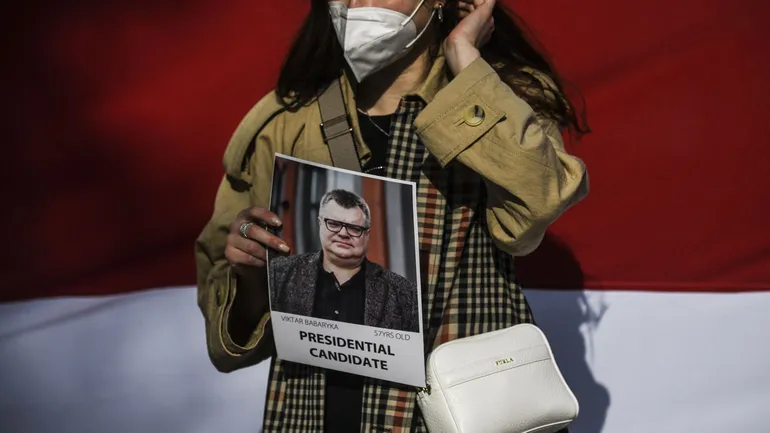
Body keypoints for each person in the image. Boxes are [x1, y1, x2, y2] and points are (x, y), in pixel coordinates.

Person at [195, 0, 590, 431]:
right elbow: (227, 337)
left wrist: (465, 59)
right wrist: (251, 274)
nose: (357, 3)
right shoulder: (285, 123)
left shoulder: (501, 94)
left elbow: (537, 205)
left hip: (457, 413)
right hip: (318, 413)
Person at [268, 189, 419, 333]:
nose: (343, 233)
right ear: (320, 224)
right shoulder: (278, 273)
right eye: (334, 224)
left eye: (354, 228)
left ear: (366, 235)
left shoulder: (405, 293)